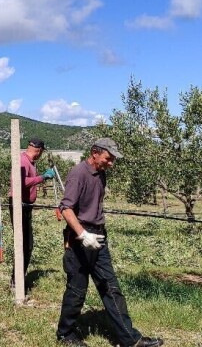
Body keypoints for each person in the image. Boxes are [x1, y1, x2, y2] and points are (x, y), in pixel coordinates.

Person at [55, 138, 163, 347]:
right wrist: (83, 235)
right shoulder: (78, 173)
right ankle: (65, 335)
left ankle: (130, 339)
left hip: (99, 238)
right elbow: (66, 209)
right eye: (108, 158)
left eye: (113, 159)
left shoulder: (101, 174)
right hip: (80, 239)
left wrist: (95, 234)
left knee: (111, 288)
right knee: (77, 290)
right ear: (95, 153)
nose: (111, 163)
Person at [9, 138, 56, 289]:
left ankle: (18, 279)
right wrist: (43, 177)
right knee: (25, 244)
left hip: (25, 206)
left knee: (26, 244)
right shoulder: (23, 162)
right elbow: (19, 182)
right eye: (41, 152)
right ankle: (16, 282)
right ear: (39, 151)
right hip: (19, 206)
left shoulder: (28, 162)